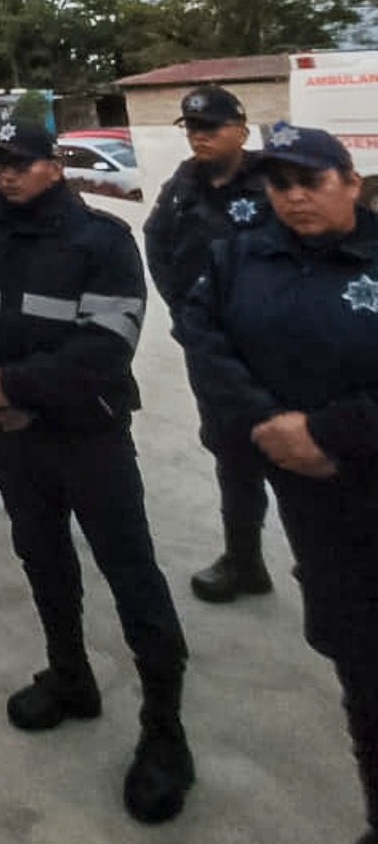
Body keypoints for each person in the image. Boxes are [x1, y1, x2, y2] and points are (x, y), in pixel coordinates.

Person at [0, 119, 193, 825]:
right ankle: (70, 677)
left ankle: (165, 733)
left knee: (131, 573)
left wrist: (15, 388)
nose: (6, 173)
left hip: (89, 437)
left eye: (21, 162)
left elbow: (107, 345)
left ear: (55, 165)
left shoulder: (103, 240)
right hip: (15, 440)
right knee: (44, 560)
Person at [179, 124, 378, 844]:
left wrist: (330, 435)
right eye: (279, 181)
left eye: (311, 178)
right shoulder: (241, 255)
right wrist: (271, 426)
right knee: (359, 666)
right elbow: (202, 334)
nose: (294, 195)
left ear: (351, 181)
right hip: (310, 500)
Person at [143, 85, 272, 604]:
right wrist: (184, 311)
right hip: (211, 347)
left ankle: (335, 575)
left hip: (278, 345)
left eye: (211, 127)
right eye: (192, 128)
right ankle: (244, 560)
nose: (199, 137)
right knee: (233, 453)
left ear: (241, 128)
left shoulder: (275, 179)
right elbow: (156, 240)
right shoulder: (184, 182)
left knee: (305, 456)